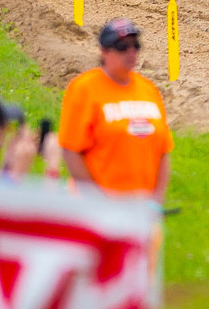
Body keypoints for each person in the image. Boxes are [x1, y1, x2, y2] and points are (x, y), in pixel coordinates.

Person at [56, 18, 172, 195]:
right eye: (122, 46)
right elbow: (70, 150)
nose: (131, 51)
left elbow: (163, 151)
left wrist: (155, 201)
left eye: (136, 45)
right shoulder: (84, 88)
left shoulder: (149, 90)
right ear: (104, 51)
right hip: (96, 209)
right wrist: (96, 198)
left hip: (140, 207)